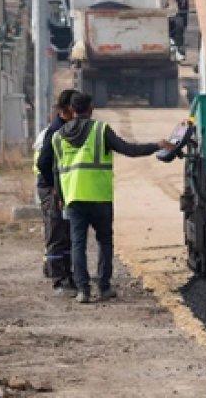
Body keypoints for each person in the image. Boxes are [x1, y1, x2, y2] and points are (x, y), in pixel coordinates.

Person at [52, 92, 172, 303]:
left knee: (77, 244)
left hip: (73, 198)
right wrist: (157, 145)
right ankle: (104, 287)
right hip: (99, 197)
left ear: (72, 110)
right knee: (104, 242)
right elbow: (129, 150)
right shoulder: (100, 130)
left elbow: (56, 171)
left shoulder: (58, 136)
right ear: (90, 109)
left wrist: (61, 197)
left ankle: (83, 291)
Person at [34, 89, 79, 296]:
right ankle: (59, 280)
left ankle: (65, 274)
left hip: (62, 187)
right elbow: (43, 162)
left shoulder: (66, 127)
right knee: (57, 232)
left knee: (65, 231)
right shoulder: (56, 131)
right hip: (52, 188)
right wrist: (54, 188)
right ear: (68, 109)